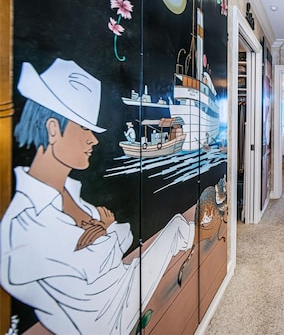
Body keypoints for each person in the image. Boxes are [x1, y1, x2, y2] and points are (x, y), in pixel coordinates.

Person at [0, 59, 221, 335]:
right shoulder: (23, 219)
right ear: (53, 129)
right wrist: (104, 233)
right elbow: (99, 258)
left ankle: (199, 230)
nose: (93, 139)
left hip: (120, 285)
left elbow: (122, 237)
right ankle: (200, 230)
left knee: (175, 225)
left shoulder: (71, 194)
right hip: (106, 317)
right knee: (176, 226)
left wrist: (102, 234)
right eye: (84, 128)